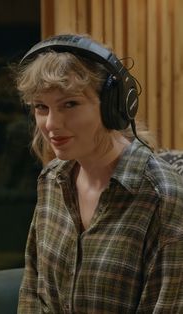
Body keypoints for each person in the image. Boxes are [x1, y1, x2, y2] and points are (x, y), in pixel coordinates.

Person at [15, 34, 183, 313]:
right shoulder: (52, 180)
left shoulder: (164, 198)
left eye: (70, 104)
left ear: (112, 106)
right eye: (41, 107)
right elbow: (33, 293)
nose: (51, 124)